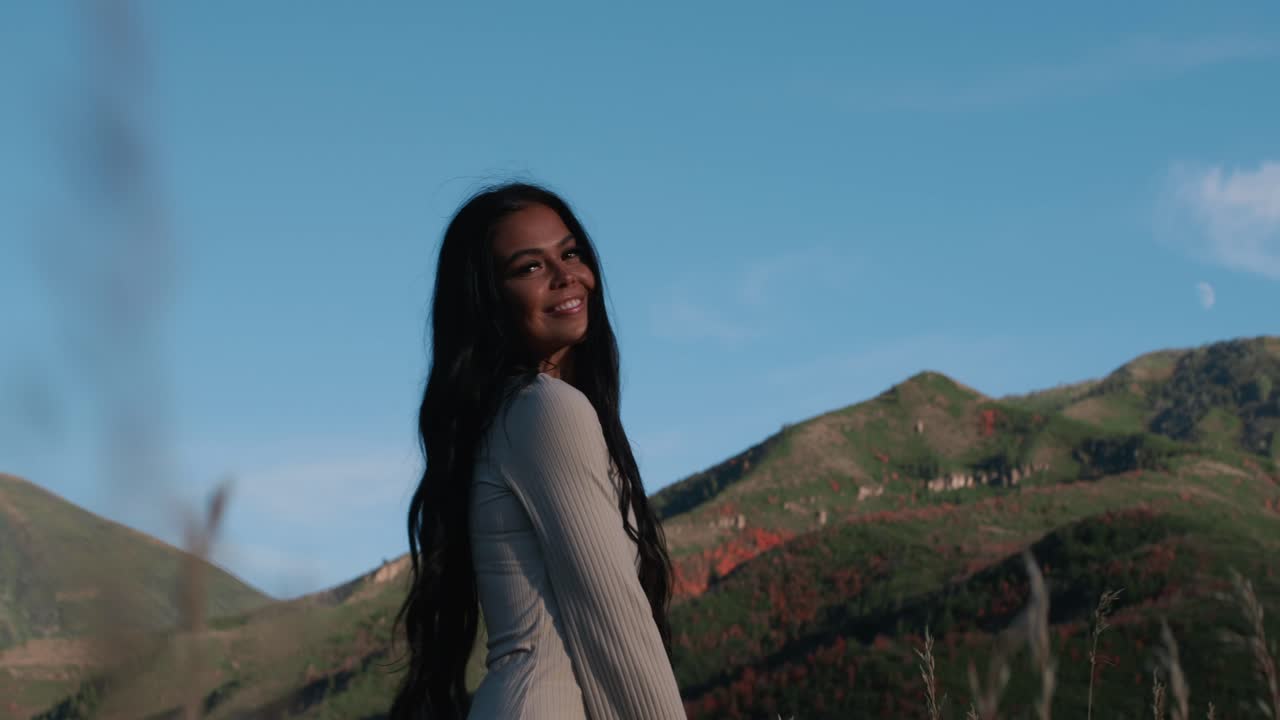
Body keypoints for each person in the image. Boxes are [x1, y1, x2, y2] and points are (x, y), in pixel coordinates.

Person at [389, 181, 687, 719]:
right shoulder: (544, 410)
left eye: (570, 253)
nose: (566, 275)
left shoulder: (508, 415)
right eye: (529, 267)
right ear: (488, 299)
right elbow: (611, 613)